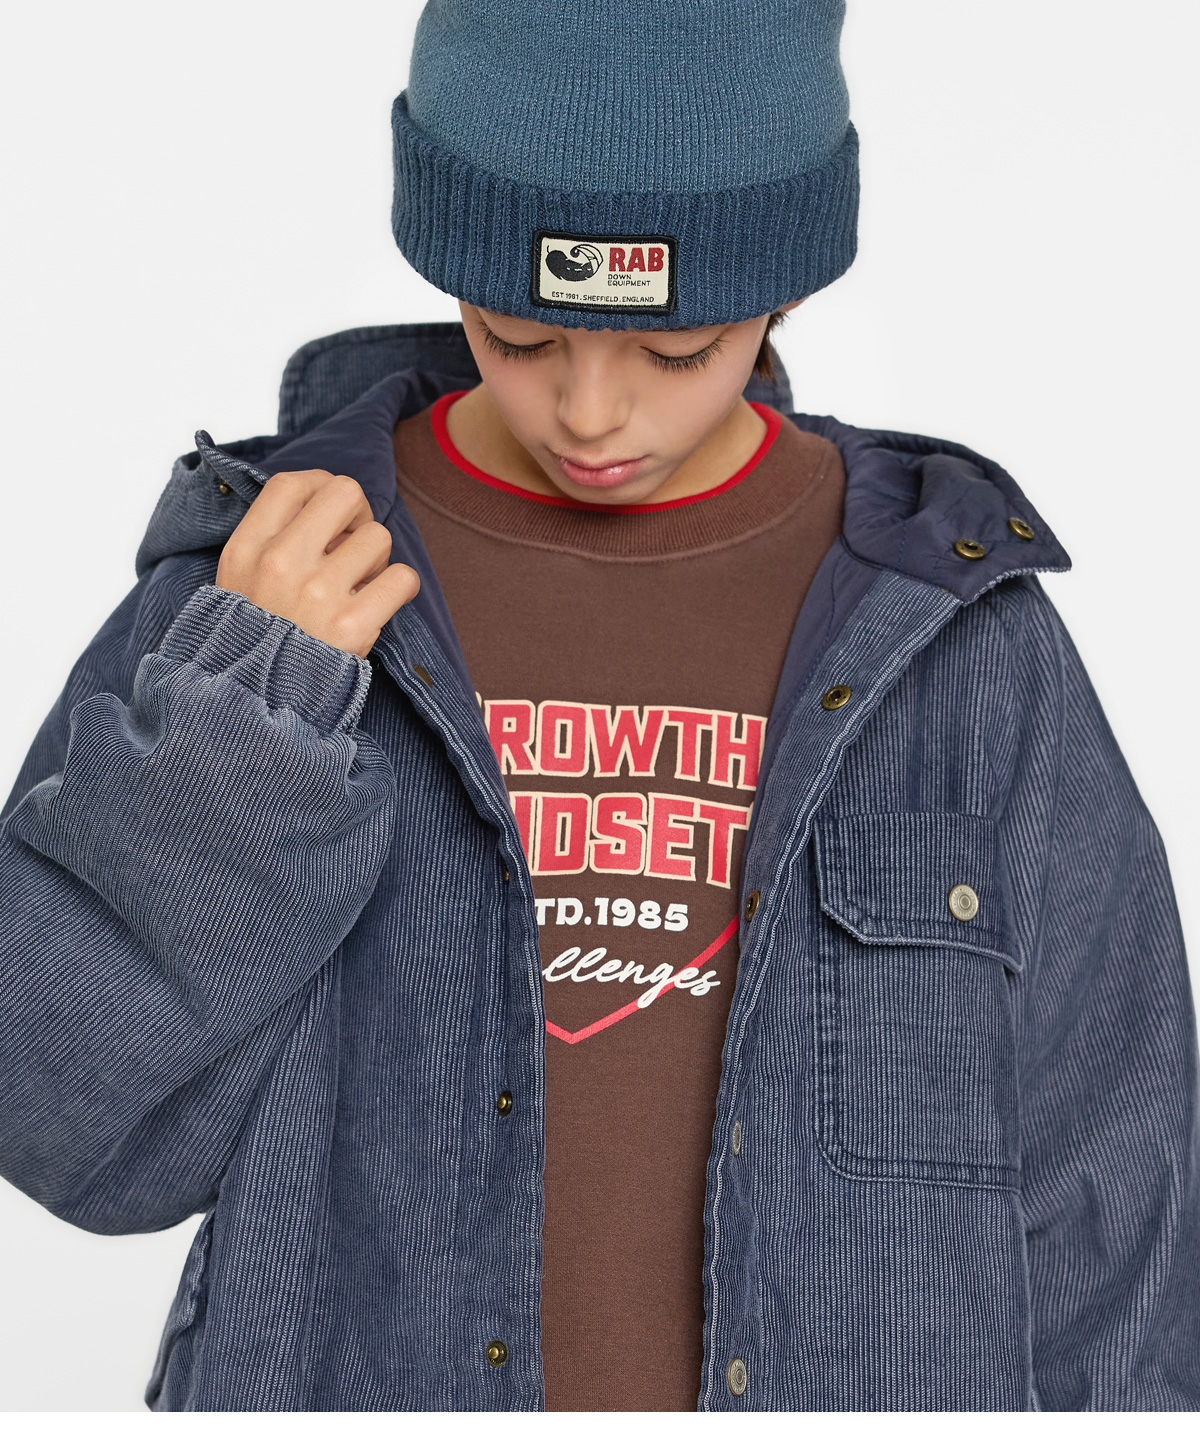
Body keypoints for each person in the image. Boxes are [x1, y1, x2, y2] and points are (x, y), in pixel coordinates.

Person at [1, 0, 1197, 1413]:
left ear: (788, 289)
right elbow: (66, 1129)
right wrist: (240, 719)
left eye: (677, 352)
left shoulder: (956, 633)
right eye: (517, 334)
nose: (588, 411)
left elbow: (1120, 1210)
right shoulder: (272, 583)